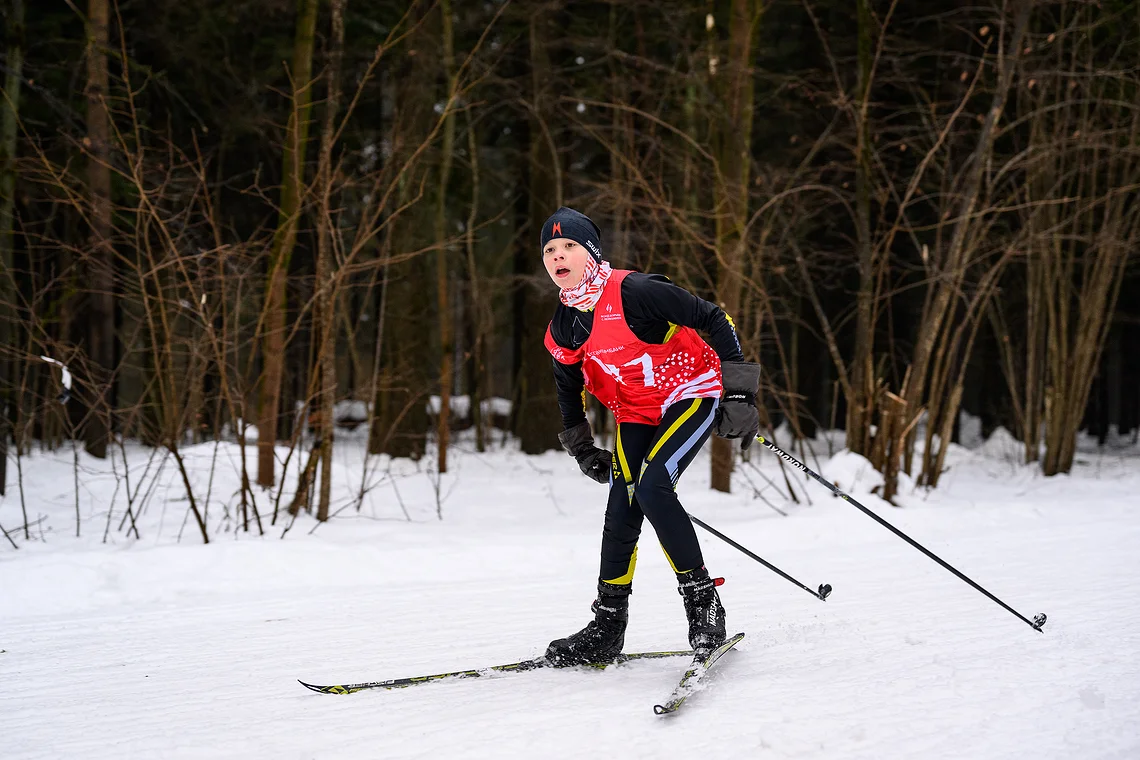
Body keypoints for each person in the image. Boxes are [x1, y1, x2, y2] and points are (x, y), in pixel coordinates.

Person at [539, 206, 760, 664]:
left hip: (690, 390)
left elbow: (715, 318)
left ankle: (704, 607)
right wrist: (581, 448)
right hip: (637, 408)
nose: (558, 255)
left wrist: (739, 395)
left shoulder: (637, 291)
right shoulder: (564, 323)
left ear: (591, 252)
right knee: (623, 500)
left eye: (569, 246)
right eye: (549, 250)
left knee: (653, 487)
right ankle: (607, 625)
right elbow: (567, 385)